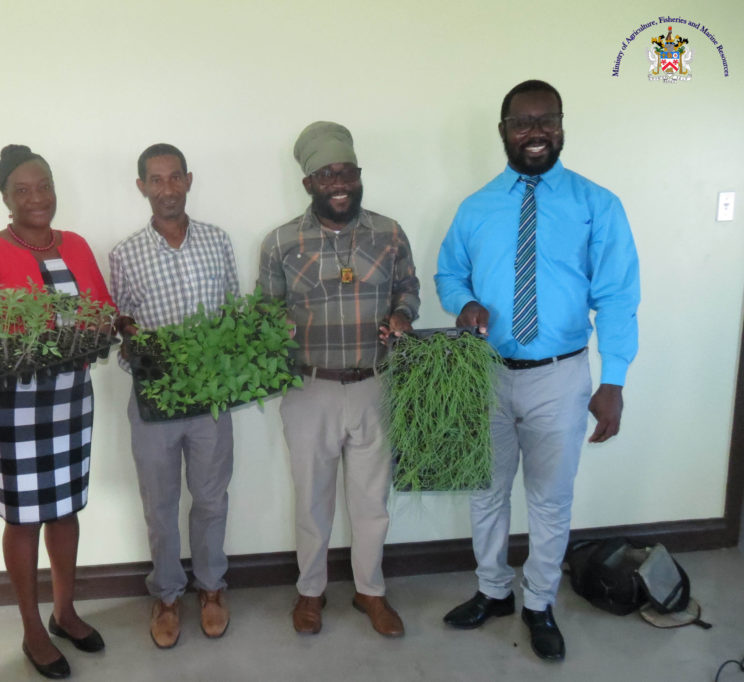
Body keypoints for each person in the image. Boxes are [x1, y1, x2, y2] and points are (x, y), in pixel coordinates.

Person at [436, 80, 640, 662]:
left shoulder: (597, 204)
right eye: (522, 122)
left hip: (560, 375)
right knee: (486, 492)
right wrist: (463, 303)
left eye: (546, 119)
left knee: (550, 499)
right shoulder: (475, 207)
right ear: (503, 131)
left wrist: (614, 379)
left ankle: (539, 602)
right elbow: (449, 273)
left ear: (562, 125)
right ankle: (493, 591)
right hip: (486, 373)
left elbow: (618, 296)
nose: (535, 132)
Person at [258, 122, 420, 637]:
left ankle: (370, 591)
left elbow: (408, 287)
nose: (340, 184)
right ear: (308, 183)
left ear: (359, 175)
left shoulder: (389, 233)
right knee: (312, 500)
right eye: (327, 175)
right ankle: (311, 592)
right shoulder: (281, 242)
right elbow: (264, 311)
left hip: (375, 383)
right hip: (310, 390)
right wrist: (274, 331)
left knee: (372, 501)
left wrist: (402, 315)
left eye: (347, 172)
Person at [0, 145, 114, 679]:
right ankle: (31, 628)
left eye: (43, 185)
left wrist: (107, 326)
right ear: (5, 198)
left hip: (71, 396)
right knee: (24, 518)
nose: (37, 197)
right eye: (22, 190)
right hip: (14, 405)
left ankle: (65, 612)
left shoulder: (76, 245)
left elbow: (101, 309)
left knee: (66, 508)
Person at [108, 143, 240, 648]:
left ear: (188, 180)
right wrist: (134, 348)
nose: (167, 188)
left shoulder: (217, 241)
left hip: (211, 401)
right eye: (156, 179)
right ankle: (166, 595)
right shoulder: (124, 254)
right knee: (159, 505)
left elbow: (233, 313)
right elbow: (120, 329)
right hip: (154, 403)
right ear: (141, 186)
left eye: (175, 177)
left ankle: (211, 588)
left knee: (210, 499)